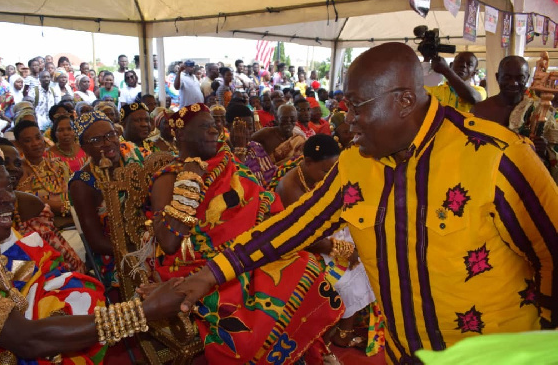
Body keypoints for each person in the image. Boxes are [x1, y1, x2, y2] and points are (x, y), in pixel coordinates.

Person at [173, 42, 558, 364]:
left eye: (357, 106)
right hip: (403, 354)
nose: (346, 119)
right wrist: (208, 274)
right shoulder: (355, 163)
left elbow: (552, 253)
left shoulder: (496, 157)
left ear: (405, 100)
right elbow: (292, 227)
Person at [146, 103, 343, 363]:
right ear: (181, 134)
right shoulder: (168, 178)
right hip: (192, 265)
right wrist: (188, 184)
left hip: (240, 251)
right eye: (205, 125)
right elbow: (169, 243)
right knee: (248, 312)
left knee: (304, 265)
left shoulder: (227, 163)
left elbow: (261, 206)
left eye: (215, 124)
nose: (215, 129)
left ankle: (293, 352)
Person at [0, 144, 186, 364]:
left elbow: (38, 290)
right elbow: (25, 338)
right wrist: (145, 311)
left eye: (8, 187)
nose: (9, 198)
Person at [272, 134, 379, 354]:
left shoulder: (320, 175)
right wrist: (346, 250)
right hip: (303, 249)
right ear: (308, 162)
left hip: (328, 235)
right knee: (353, 271)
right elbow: (305, 239)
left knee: (374, 248)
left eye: (334, 170)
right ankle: (342, 334)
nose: (330, 176)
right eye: (325, 171)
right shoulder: (291, 188)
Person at [0, 137, 85, 273]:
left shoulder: (29, 204)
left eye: (18, 164)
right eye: (4, 162)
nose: (13, 168)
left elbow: (69, 260)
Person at [69, 111, 145, 287]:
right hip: (116, 255)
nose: (108, 142)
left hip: (149, 239)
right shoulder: (82, 183)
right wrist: (139, 252)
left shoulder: (133, 156)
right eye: (97, 140)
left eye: (111, 134)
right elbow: (96, 242)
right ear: (84, 148)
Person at [14, 120, 71, 222]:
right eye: (28, 140)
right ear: (19, 145)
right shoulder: (20, 170)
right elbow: (29, 200)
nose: (35, 143)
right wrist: (65, 207)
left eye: (38, 137)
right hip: (43, 223)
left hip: (70, 218)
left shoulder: (57, 164)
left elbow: (70, 190)